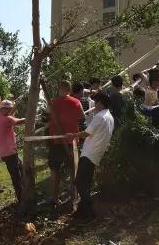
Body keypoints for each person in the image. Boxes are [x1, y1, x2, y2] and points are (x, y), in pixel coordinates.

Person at [65, 92, 115, 221]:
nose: (94, 104)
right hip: (96, 154)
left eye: (96, 102)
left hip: (89, 153)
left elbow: (86, 133)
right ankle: (81, 211)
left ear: (100, 103)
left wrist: (72, 135)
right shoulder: (110, 117)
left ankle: (89, 214)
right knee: (85, 183)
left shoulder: (99, 116)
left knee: (80, 182)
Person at [48, 80, 85, 207]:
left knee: (55, 170)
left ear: (60, 89)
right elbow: (81, 117)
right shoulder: (76, 102)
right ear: (69, 90)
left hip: (56, 141)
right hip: (71, 141)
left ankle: (54, 197)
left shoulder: (53, 102)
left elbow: (47, 115)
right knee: (72, 169)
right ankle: (74, 196)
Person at [0, 100, 25, 203]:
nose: (11, 110)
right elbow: (19, 121)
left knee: (21, 168)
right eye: (9, 109)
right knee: (16, 176)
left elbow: (10, 117)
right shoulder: (6, 119)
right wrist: (31, 117)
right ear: (3, 108)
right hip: (9, 152)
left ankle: (23, 193)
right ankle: (21, 198)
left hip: (5, 152)